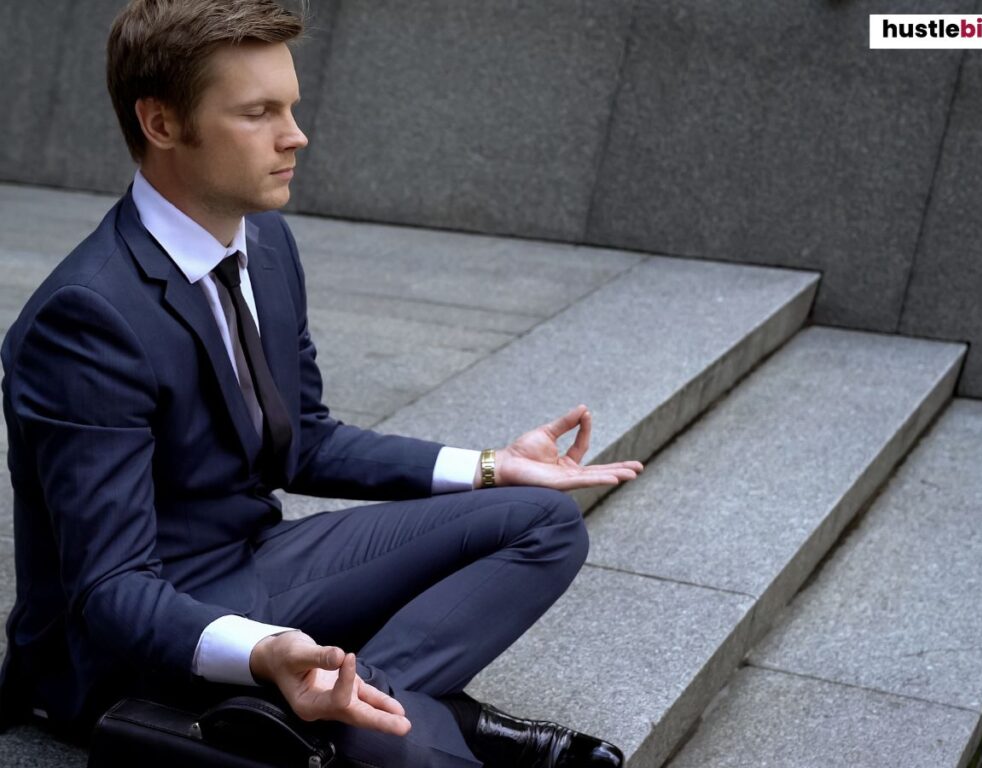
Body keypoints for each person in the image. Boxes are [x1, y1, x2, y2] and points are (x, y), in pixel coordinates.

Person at [0, 1, 643, 766]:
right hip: (136, 638)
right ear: (162, 124)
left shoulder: (265, 244)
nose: (295, 134)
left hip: (258, 560)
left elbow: (304, 437)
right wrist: (267, 650)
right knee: (403, 755)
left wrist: (491, 466)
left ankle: (342, 707)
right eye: (259, 112)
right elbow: (109, 592)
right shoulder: (87, 318)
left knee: (545, 521)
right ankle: (413, 724)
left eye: (292, 107)